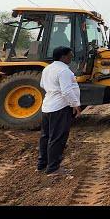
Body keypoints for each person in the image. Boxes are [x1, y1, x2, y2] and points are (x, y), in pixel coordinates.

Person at [37, 46, 81, 176]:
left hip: (48, 107)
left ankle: (42, 165)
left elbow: (42, 85)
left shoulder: (47, 69)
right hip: (60, 108)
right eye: (70, 55)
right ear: (63, 56)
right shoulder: (64, 71)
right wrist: (75, 105)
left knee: (46, 137)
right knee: (58, 138)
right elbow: (66, 91)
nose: (71, 57)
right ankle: (53, 168)